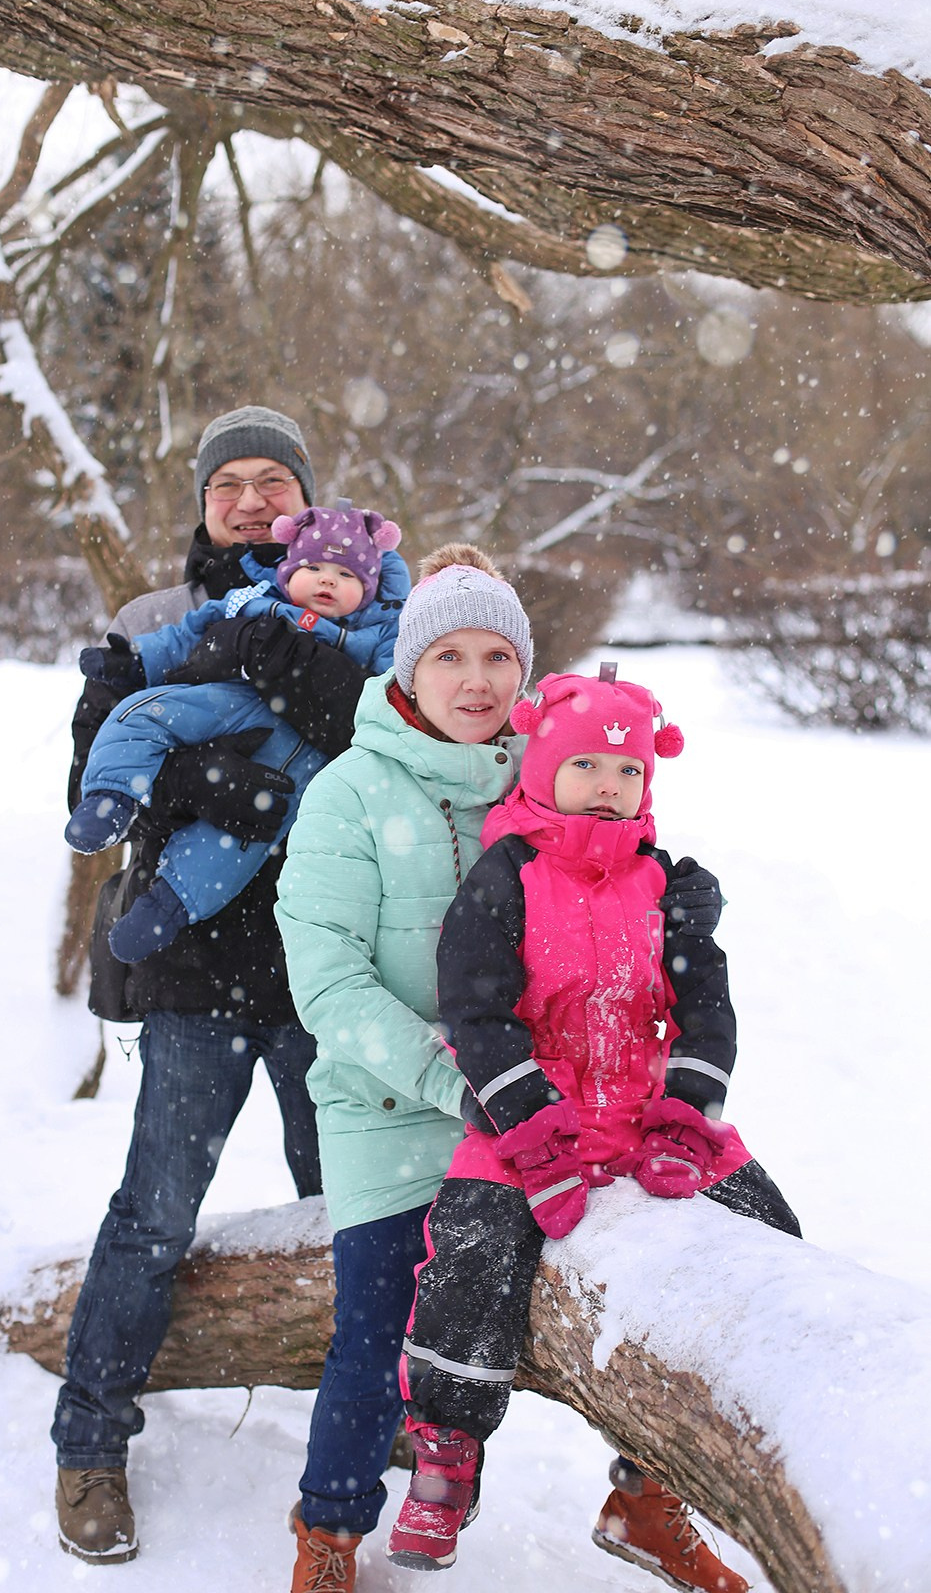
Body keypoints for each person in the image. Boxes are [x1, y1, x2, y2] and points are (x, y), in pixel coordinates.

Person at [273, 551, 723, 1593]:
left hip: (551, 1107)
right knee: (380, 1328)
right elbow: (328, 983)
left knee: (659, 1286)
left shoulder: (557, 771)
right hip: (398, 1109)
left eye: (496, 657)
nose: (474, 680)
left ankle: (646, 1494)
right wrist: (458, 1083)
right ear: (407, 669)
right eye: (448, 656)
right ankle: (329, 1532)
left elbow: (622, 908)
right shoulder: (348, 794)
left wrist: (676, 919)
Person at [52, 407, 392, 1565]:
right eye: (227, 483)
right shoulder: (156, 618)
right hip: (195, 967)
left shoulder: (369, 612)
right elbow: (95, 768)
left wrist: (283, 659)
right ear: (201, 502)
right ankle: (89, 1441)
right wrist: (212, 784)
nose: (250, 501)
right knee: (154, 1213)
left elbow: (385, 742)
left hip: (328, 966)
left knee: (349, 1206)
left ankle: (363, 1431)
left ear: (309, 497)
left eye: (272, 482)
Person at [387, 667, 802, 1593]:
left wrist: (685, 1118)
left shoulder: (667, 882)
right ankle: (446, 1451)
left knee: (768, 1235)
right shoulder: (506, 877)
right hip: (529, 1117)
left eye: (627, 770)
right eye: (585, 765)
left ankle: (650, 1492)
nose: (608, 785)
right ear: (541, 767)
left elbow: (706, 1010)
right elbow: (478, 1013)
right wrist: (533, 1131)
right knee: (472, 1255)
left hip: (645, 1118)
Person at [63, 506, 405, 963]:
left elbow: (391, 705)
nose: (327, 580)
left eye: (345, 574)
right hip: (225, 702)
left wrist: (326, 678)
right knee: (142, 714)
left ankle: (169, 905)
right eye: (313, 568)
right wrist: (135, 664)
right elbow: (186, 633)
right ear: (288, 570)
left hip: (296, 754)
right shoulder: (253, 599)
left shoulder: (378, 631)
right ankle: (111, 798)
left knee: (242, 837)